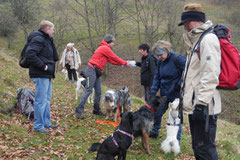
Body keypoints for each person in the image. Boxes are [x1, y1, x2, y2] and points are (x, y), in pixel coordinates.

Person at [178, 3, 221, 160]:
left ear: (194, 21)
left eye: (186, 23)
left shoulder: (208, 40)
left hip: (204, 107)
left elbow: (210, 75)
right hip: (197, 105)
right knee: (198, 147)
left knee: (205, 149)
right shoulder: (196, 41)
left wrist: (201, 104)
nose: (185, 28)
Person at [75, 34, 131, 119]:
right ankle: (79, 110)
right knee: (89, 90)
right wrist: (125, 63)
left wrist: (123, 64)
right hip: (91, 70)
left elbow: (112, 60)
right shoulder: (105, 48)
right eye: (113, 42)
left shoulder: (105, 48)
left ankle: (96, 109)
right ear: (109, 42)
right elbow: (114, 57)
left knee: (98, 91)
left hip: (96, 71)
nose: (114, 44)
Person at [26, 20, 59, 134]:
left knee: (46, 100)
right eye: (52, 29)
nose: (53, 31)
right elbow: (30, 54)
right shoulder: (38, 38)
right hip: (40, 74)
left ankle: (46, 122)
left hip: (46, 74)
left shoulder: (46, 39)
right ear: (47, 29)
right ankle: (38, 126)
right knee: (40, 101)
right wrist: (43, 66)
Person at [149, 40, 186, 141]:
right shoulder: (160, 62)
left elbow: (188, 73)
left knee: (176, 118)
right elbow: (157, 77)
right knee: (157, 112)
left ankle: (176, 140)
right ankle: (155, 131)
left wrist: (178, 85)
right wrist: (153, 91)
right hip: (164, 93)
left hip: (176, 94)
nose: (159, 57)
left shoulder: (178, 59)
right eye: (157, 55)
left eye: (161, 54)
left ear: (167, 50)